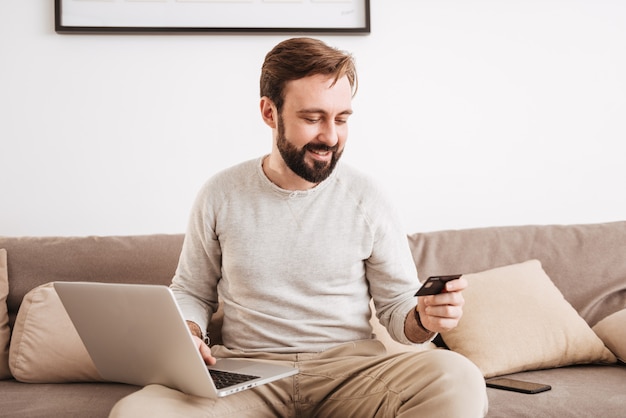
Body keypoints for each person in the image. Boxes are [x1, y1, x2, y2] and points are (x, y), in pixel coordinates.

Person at [111, 37, 487, 418]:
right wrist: (188, 334)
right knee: (138, 411)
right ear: (269, 112)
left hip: (350, 374)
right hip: (247, 375)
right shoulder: (220, 193)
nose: (331, 136)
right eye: (312, 118)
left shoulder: (368, 198)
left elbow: (396, 310)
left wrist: (424, 318)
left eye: (341, 119)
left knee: (458, 378)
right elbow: (192, 290)